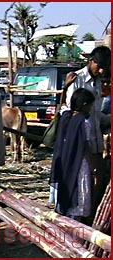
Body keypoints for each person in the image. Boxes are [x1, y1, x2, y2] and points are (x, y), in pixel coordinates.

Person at [63, 46, 111, 221]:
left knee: (93, 182)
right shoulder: (77, 79)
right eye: (100, 66)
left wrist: (108, 119)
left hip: (95, 139)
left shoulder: (98, 81)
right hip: (81, 142)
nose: (102, 71)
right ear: (92, 61)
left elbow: (96, 113)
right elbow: (72, 110)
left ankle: (88, 218)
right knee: (80, 181)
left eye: (106, 67)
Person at [50, 88, 99, 224]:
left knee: (67, 193)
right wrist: (93, 168)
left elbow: (62, 105)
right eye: (90, 105)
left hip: (65, 163)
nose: (91, 108)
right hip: (79, 163)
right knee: (78, 195)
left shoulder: (66, 117)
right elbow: (86, 147)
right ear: (85, 104)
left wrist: (65, 87)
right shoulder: (84, 122)